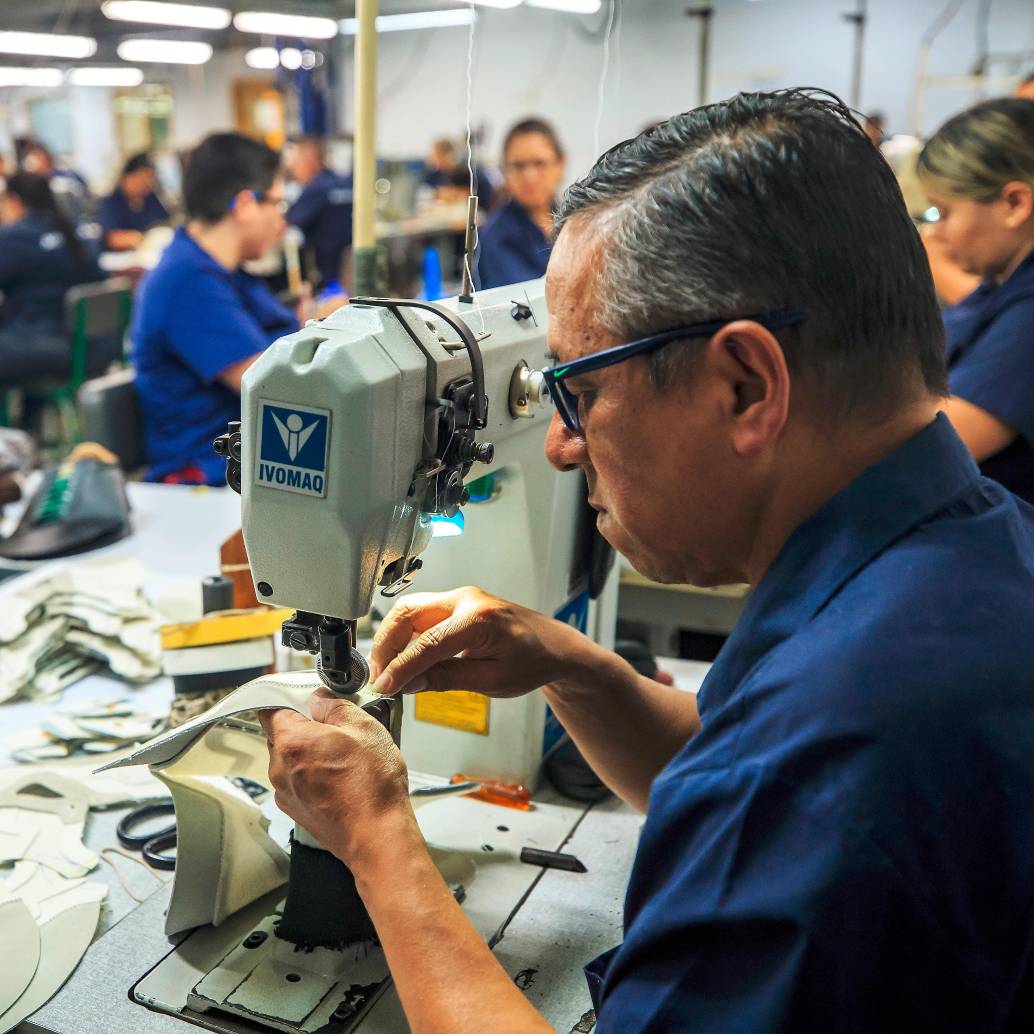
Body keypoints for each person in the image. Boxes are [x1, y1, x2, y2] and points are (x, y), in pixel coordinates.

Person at [261, 89, 1034, 1031]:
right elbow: (727, 757)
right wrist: (573, 667)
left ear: (745, 386)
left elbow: (776, 783)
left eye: (578, 393)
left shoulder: (842, 742)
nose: (559, 446)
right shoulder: (959, 551)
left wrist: (377, 843)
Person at [132, 132, 297, 486]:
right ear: (245, 205)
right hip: (210, 474)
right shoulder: (187, 283)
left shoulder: (227, 273)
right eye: (278, 205)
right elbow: (274, 387)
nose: (281, 221)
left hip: (250, 460)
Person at [917, 97, 1034, 503]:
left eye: (944, 212)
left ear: (1015, 204)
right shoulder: (1003, 285)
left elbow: (936, 445)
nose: (937, 232)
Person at [0, 172, 106, 382]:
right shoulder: (77, 231)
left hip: (47, 347)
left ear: (14, 201)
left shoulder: (16, 238)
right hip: (96, 346)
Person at [476, 118, 565, 289]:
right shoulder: (496, 238)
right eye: (518, 166)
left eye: (539, 163)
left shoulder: (572, 221)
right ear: (504, 171)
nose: (529, 176)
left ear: (560, 164)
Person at [284, 135, 353, 288]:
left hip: (326, 274)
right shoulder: (343, 182)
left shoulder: (316, 188)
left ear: (308, 162)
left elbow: (288, 221)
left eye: (294, 163)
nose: (292, 170)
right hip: (349, 270)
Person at [97, 152, 169, 252]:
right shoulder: (111, 202)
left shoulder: (151, 198)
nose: (147, 183)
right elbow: (112, 238)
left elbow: (165, 223)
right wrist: (140, 239)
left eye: (150, 177)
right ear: (126, 177)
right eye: (141, 177)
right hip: (121, 256)